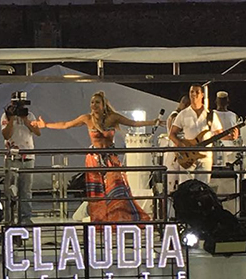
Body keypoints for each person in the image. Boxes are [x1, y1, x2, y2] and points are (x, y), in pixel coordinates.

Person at [34, 90, 160, 223]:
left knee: (117, 187)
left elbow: (133, 123)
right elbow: (66, 125)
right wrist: (46, 125)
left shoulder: (112, 118)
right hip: (94, 158)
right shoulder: (87, 119)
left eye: (97, 102)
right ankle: (100, 219)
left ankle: (119, 217)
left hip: (110, 157)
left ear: (103, 105)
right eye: (92, 102)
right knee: (97, 191)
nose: (94, 105)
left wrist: (153, 122)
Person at [168, 84, 222, 185]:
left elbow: (220, 134)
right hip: (188, 156)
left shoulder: (210, 115)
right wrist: (181, 144)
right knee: (186, 185)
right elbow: (172, 134)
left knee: (203, 187)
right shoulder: (183, 114)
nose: (194, 94)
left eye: (197, 92)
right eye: (191, 92)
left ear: (202, 95)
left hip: (205, 157)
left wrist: (232, 136)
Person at [1, 91, 40, 224]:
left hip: (28, 157)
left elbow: (37, 132)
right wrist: (12, 119)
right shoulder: (5, 116)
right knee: (10, 190)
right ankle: (9, 218)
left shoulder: (30, 115)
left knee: (26, 190)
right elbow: (6, 135)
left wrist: (26, 120)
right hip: (12, 157)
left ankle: (25, 218)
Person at [163, 95, 191, 192]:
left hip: (180, 153)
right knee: (172, 182)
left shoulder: (180, 115)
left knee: (181, 180)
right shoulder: (175, 116)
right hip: (174, 152)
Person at [213, 91, 240, 166]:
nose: (222, 103)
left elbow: (237, 132)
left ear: (227, 102)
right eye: (220, 100)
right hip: (217, 149)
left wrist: (235, 136)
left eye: (223, 100)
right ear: (216, 101)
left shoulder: (233, 115)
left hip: (231, 149)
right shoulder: (212, 114)